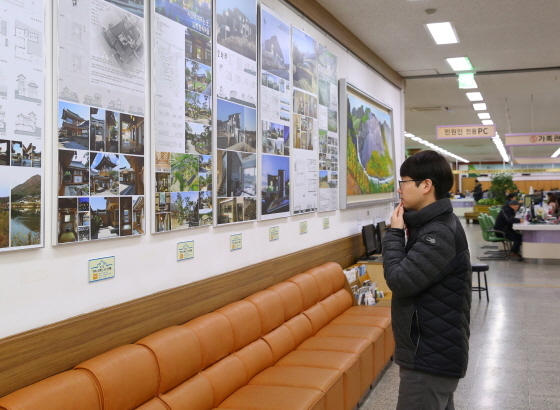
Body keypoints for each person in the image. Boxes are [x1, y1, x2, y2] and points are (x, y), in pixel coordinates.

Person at [382, 150, 471, 410]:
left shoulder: (438, 232)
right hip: (433, 351)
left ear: (426, 185)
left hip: (430, 356)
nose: (399, 190)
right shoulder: (432, 224)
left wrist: (394, 234)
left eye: (404, 182)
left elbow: (400, 280)